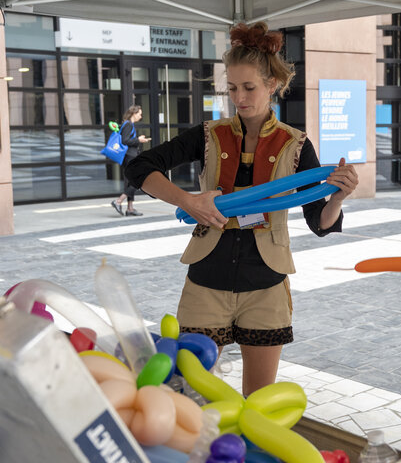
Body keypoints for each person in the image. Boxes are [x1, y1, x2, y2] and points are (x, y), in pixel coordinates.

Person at [125, 21, 359, 395]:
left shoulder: (295, 145)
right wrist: (189, 201)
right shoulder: (208, 134)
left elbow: (320, 222)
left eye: (249, 87)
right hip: (207, 279)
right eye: (232, 88)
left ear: (272, 85)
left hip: (265, 283)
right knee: (189, 394)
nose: (239, 97)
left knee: (258, 401)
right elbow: (137, 166)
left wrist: (338, 197)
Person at [111, 105, 150, 216]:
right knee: (137, 181)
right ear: (134, 113)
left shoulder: (129, 124)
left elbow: (128, 139)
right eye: (139, 114)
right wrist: (138, 140)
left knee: (131, 182)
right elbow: (125, 140)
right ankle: (118, 201)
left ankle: (130, 208)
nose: (140, 116)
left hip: (130, 156)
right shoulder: (128, 124)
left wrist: (139, 140)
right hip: (129, 157)